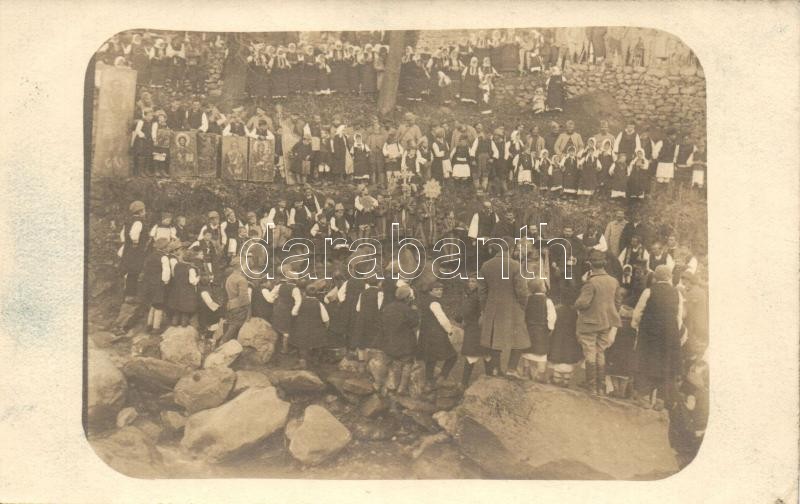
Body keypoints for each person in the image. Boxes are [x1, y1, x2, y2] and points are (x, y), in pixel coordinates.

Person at [631, 265, 683, 410]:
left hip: (650, 335)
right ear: (669, 277)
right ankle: (661, 399)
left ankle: (645, 397)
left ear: (655, 277)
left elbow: (638, 313)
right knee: (665, 365)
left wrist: (636, 327)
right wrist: (673, 333)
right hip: (669, 336)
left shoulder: (648, 291)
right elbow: (679, 318)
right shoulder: (677, 294)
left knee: (647, 363)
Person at [478, 240, 530, 376]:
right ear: (509, 249)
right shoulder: (515, 265)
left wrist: (485, 308)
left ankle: (496, 369)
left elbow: (482, 292)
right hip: (512, 307)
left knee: (495, 339)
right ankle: (512, 369)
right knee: (519, 339)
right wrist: (523, 305)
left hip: (493, 307)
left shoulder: (485, 266)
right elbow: (522, 290)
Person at [574, 253, 622, 395]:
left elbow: (582, 303)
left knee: (590, 352)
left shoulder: (591, 282)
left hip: (590, 322)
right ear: (605, 263)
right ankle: (601, 387)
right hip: (606, 322)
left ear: (590, 265)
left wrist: (576, 302)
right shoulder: (614, 281)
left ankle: (591, 387)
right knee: (600, 352)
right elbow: (618, 302)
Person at [418, 282, 458, 388]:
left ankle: (429, 381)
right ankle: (441, 378)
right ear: (431, 291)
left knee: (431, 358)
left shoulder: (425, 300)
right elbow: (442, 319)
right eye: (436, 290)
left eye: (441, 289)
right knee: (453, 356)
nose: (440, 291)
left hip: (426, 333)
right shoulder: (435, 303)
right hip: (436, 334)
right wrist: (449, 330)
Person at [381, 284, 418, 396]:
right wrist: (415, 311)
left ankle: (389, 387)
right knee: (407, 362)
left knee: (393, 363)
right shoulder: (407, 310)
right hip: (404, 345)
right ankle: (401, 388)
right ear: (407, 298)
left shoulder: (387, 307)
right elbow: (415, 323)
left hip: (389, 343)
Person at [454, 276, 490, 388]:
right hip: (471, 327)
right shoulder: (469, 294)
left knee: (484, 354)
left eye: (473, 281)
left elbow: (481, 312)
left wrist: (464, 318)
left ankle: (489, 380)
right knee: (475, 355)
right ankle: (465, 382)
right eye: (469, 281)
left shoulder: (481, 296)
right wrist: (460, 317)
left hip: (477, 329)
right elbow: (465, 310)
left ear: (479, 283)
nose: (470, 283)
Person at [520, 279, 557, 382]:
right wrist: (550, 328)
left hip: (529, 330)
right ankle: (540, 375)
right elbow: (552, 316)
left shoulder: (527, 300)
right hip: (542, 331)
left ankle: (526, 372)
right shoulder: (547, 301)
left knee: (527, 352)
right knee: (541, 354)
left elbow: (523, 314)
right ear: (542, 287)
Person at [290, 283, 330, 369]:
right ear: (317, 294)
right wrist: (325, 328)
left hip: (302, 328)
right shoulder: (319, 304)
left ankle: (302, 362)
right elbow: (326, 319)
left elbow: (293, 313)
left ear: (305, 293)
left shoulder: (301, 302)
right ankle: (315, 362)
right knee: (317, 343)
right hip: (316, 329)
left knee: (302, 344)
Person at [140, 237, 172, 335]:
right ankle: (156, 327)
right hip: (159, 284)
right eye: (167, 246)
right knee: (159, 305)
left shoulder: (150, 256)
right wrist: (166, 282)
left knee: (153, 304)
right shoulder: (164, 257)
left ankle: (149, 325)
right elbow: (166, 272)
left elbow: (145, 269)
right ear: (165, 247)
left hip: (149, 283)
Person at [352, 275, 383, 360]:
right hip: (374, 319)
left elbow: (358, 308)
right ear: (378, 283)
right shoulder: (379, 293)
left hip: (363, 319)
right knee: (372, 339)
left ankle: (362, 360)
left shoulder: (363, 293)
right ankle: (371, 361)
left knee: (362, 340)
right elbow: (380, 307)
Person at [166, 247, 199, 327]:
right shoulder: (191, 268)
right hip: (187, 289)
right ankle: (184, 322)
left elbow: (174, 275)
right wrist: (198, 278)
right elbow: (192, 281)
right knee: (185, 307)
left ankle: (175, 321)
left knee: (177, 305)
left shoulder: (177, 265)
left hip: (177, 287)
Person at [220, 258, 250, 345]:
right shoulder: (241, 279)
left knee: (232, 326)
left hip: (230, 304)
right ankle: (222, 343)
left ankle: (225, 344)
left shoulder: (229, 277)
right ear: (240, 267)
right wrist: (249, 308)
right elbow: (243, 297)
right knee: (234, 327)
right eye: (245, 265)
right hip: (239, 306)